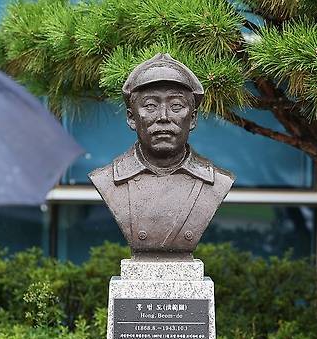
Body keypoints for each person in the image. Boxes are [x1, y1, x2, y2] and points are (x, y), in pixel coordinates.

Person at [89, 53, 235, 261]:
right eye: (150, 106)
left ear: (192, 118)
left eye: (176, 106)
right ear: (131, 118)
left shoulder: (217, 182)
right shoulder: (107, 180)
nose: (164, 117)